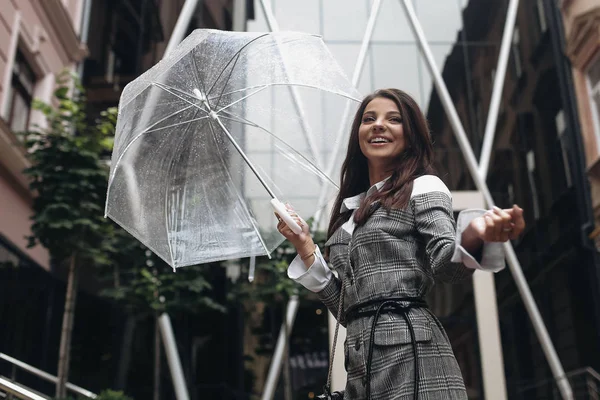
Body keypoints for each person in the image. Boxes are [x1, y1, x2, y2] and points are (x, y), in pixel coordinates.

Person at [275, 88, 525, 400]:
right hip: (360, 365)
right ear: (358, 135)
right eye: (369, 119)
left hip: (415, 358)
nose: (378, 125)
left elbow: (447, 266)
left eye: (393, 119)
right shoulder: (348, 212)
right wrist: (304, 245)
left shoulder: (423, 187)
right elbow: (348, 309)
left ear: (411, 136)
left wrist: (475, 233)